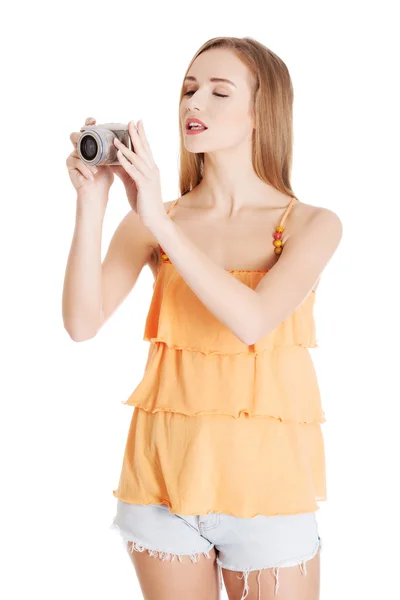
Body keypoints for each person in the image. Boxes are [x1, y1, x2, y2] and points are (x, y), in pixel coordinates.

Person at [63, 36, 342, 600]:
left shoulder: (313, 224)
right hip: (162, 485)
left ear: (261, 112)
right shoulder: (153, 218)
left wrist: (162, 225)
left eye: (219, 92)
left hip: (269, 493)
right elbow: (80, 322)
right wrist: (92, 202)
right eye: (189, 90)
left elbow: (254, 322)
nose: (195, 104)